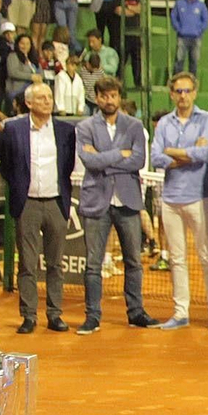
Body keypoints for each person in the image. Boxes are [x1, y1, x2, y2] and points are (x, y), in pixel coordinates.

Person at [74, 76, 159, 333]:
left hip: (128, 201)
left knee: (133, 261)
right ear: (97, 98)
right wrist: (117, 155)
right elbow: (89, 162)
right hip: (96, 201)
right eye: (104, 96)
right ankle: (92, 316)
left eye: (113, 96)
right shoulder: (85, 126)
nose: (108, 100)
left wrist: (103, 158)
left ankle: (136, 312)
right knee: (93, 264)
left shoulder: (134, 126)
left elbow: (137, 160)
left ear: (119, 98)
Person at [151, 72, 208, 331]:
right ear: (172, 94)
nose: (183, 96)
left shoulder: (207, 120)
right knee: (176, 259)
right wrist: (184, 155)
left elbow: (204, 154)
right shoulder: (163, 123)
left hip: (198, 198)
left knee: (207, 257)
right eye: (178, 91)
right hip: (170, 200)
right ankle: (180, 312)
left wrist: (171, 152)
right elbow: (155, 156)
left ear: (194, 93)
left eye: (187, 91)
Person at [0, 82, 75, 334]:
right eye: (41, 98)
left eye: (50, 97)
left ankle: (55, 314)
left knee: (55, 264)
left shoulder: (66, 131)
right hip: (27, 203)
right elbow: (6, 166)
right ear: (29, 103)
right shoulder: (13, 129)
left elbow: (68, 165)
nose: (47, 101)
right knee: (27, 264)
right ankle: (29, 315)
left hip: (56, 202)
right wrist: (20, 189)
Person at [169, 0, 208, 78]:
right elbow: (173, 17)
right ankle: (176, 81)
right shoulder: (179, 4)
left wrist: (199, 30)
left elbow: (205, 19)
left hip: (196, 38)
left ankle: (192, 82)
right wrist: (178, 28)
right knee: (179, 60)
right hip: (182, 37)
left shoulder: (201, 5)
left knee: (194, 62)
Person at [117, 0, 143, 88]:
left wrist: (127, 7)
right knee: (121, 61)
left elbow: (140, 10)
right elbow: (119, 11)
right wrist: (132, 9)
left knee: (137, 61)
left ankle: (138, 83)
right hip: (122, 35)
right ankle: (119, 83)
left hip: (136, 35)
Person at [4, 33, 41, 108]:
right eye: (22, 43)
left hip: (33, 90)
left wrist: (39, 78)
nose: (25, 46)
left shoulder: (33, 57)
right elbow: (13, 72)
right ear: (17, 44)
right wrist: (31, 77)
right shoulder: (13, 56)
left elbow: (40, 72)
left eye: (27, 44)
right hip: (17, 90)